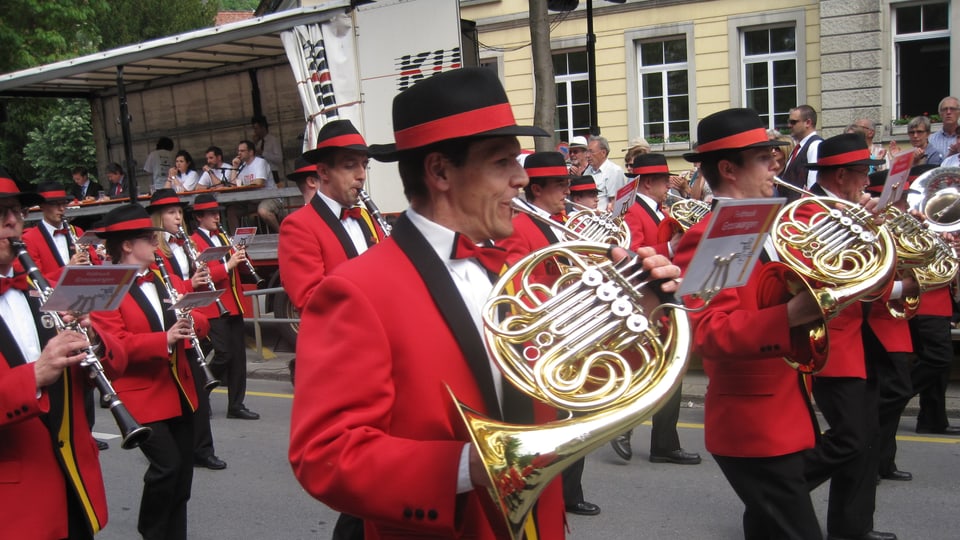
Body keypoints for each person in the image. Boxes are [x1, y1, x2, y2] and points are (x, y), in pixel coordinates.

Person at [288, 67, 681, 539]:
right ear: (440, 171)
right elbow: (326, 454)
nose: (521, 178)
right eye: (501, 162)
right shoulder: (358, 290)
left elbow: (570, 380)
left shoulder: (518, 267)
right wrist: (472, 465)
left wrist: (637, 311)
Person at [671, 107, 824, 540]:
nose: (775, 165)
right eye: (762, 157)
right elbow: (708, 331)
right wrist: (789, 316)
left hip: (781, 410)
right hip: (753, 425)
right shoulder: (715, 232)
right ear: (727, 168)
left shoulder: (768, 223)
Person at [0, 176, 125, 539]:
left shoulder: (40, 290)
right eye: (0, 213)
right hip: (16, 506)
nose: (12, 221)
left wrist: (95, 343)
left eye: (16, 212)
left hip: (74, 483)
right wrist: (35, 375)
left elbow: (118, 361)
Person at [89, 203, 210, 540]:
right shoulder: (105, 286)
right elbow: (118, 346)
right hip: (141, 396)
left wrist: (190, 324)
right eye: (148, 237)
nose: (157, 243)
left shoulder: (162, 278)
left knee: (183, 477)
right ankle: (152, 531)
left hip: (181, 390)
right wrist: (165, 339)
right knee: (166, 467)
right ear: (127, 245)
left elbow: (198, 316)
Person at [803, 133, 899, 540]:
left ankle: (852, 528)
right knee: (850, 437)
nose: (866, 182)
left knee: (868, 436)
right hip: (832, 338)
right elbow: (830, 275)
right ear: (841, 174)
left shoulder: (847, 206)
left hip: (862, 333)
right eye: (862, 174)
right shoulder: (808, 211)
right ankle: (778, 491)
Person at [499, 151, 602, 517]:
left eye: (567, 184)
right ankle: (559, 493)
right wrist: (571, 283)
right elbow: (518, 283)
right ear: (537, 189)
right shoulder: (519, 226)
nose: (567, 192)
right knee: (560, 420)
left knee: (577, 417)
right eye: (560, 185)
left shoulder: (562, 222)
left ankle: (570, 492)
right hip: (546, 339)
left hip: (574, 331)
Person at [613, 154, 700, 467]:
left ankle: (663, 442)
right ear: (648, 183)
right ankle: (623, 426)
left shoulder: (663, 209)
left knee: (671, 369)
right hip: (645, 299)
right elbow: (630, 254)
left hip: (666, 295)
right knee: (648, 369)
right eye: (665, 180)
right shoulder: (632, 212)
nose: (670, 185)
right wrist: (671, 249)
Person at [146, 190, 225, 471]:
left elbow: (192, 284)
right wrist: (191, 283)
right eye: (170, 213)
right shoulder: (153, 249)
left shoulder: (185, 243)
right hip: (167, 321)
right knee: (173, 394)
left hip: (189, 316)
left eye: (179, 212)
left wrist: (200, 280)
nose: (178, 217)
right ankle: (176, 448)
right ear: (158, 217)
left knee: (199, 393)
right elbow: (167, 287)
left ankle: (203, 450)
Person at [278, 119, 384, 313]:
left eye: (364, 165)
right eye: (350, 165)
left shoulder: (366, 217)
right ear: (324, 172)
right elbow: (310, 300)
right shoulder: (298, 225)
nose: (361, 175)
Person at [190, 194, 260, 421]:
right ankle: (201, 390)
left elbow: (239, 269)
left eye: (217, 213)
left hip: (234, 303)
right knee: (223, 354)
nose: (216, 217)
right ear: (199, 217)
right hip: (212, 305)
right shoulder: (193, 242)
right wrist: (228, 264)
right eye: (211, 214)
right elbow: (202, 275)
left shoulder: (222, 236)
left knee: (238, 358)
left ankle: (236, 404)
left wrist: (241, 253)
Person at [22, 181, 99, 282]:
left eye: (64, 203)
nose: (62, 208)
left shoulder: (77, 231)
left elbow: (96, 264)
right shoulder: (29, 238)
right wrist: (68, 270)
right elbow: (35, 280)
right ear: (42, 206)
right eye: (54, 204)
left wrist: (91, 261)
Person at [230, 140, 285, 233]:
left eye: (242, 151)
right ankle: (235, 241)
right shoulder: (242, 166)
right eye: (238, 151)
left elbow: (259, 182)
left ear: (251, 152)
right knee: (231, 211)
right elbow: (232, 184)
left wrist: (242, 185)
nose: (239, 153)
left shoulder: (260, 162)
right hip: (252, 201)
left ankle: (281, 233)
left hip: (270, 198)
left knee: (263, 211)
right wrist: (234, 167)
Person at [781, 104, 823, 200]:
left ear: (808, 123)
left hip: (803, 208)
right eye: (789, 122)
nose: (789, 125)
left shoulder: (815, 145)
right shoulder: (799, 147)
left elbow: (813, 184)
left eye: (793, 122)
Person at [586, 135, 627, 210]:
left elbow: (615, 202)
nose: (587, 155)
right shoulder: (588, 170)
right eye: (587, 152)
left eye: (591, 152)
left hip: (603, 219)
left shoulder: (614, 171)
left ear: (603, 153)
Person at [926, 96, 960, 161]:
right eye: (944, 109)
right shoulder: (931, 139)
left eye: (952, 109)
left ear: (959, 113)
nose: (948, 112)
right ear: (940, 114)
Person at [251, 115, 283, 182]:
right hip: (260, 173)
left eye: (256, 128)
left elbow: (279, 159)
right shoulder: (259, 143)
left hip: (272, 172)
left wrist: (263, 153)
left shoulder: (273, 140)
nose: (255, 131)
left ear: (263, 128)